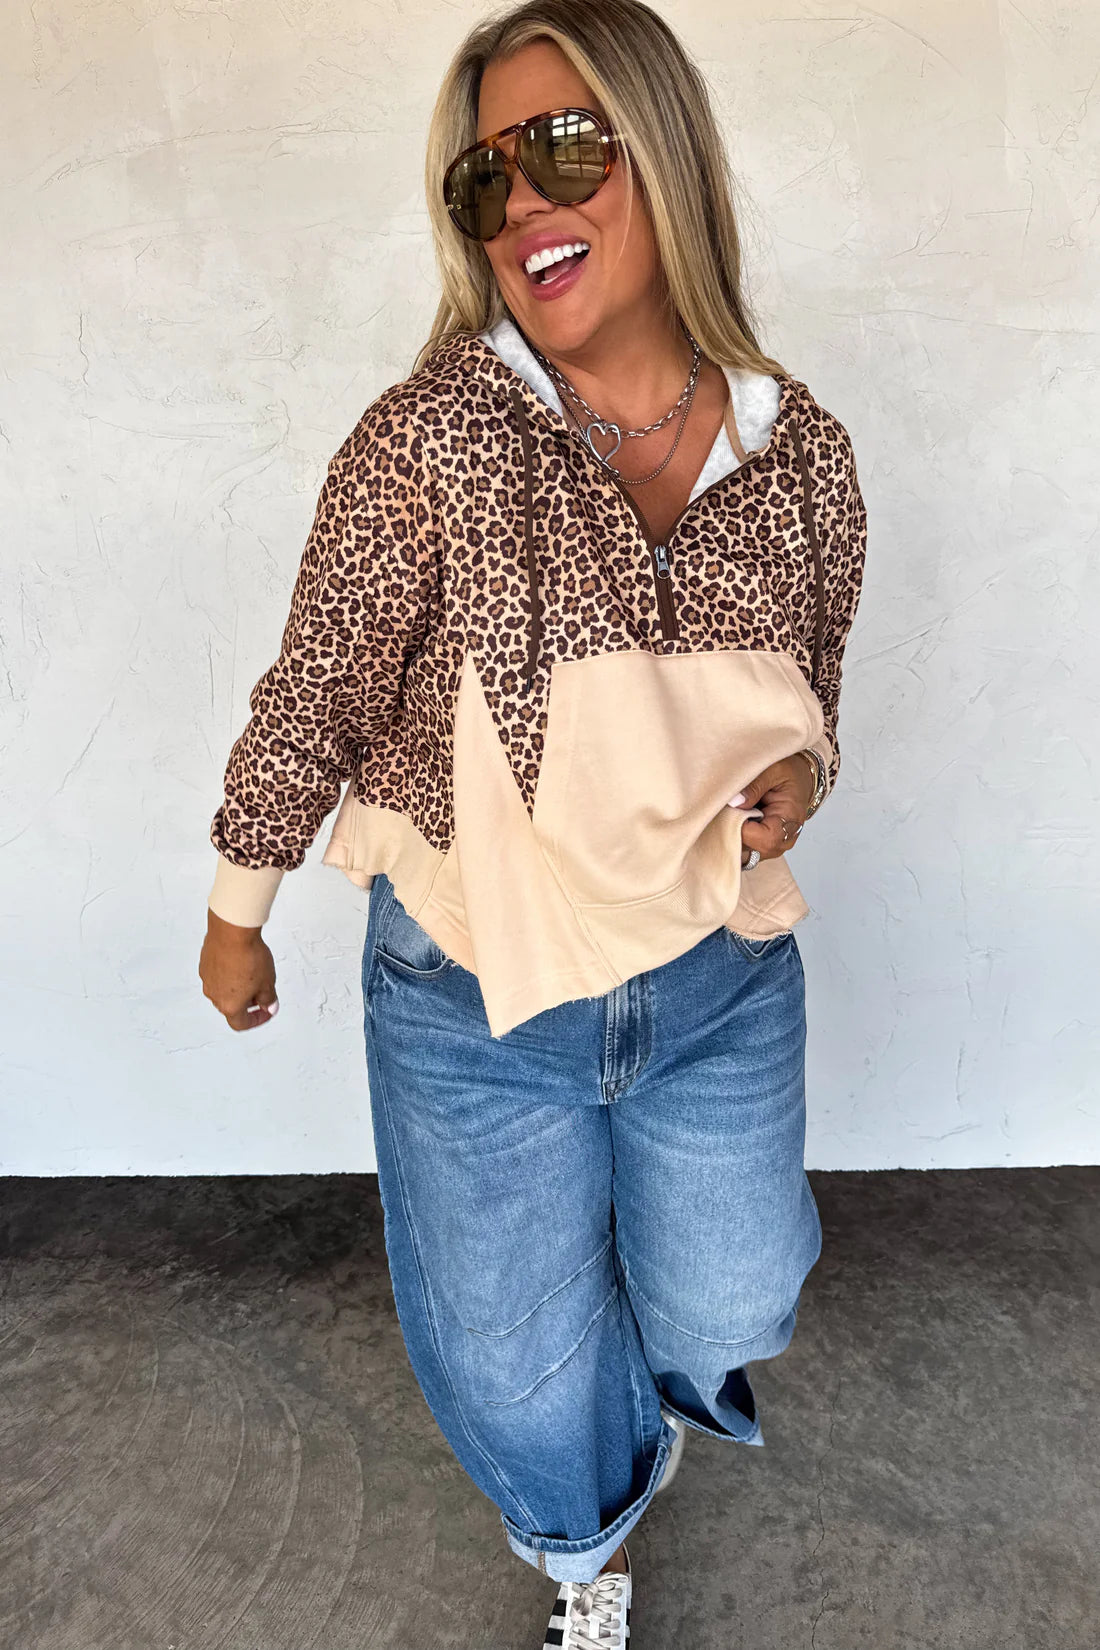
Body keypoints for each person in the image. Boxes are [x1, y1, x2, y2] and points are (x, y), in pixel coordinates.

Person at [199, 1, 868, 1643]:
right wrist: (237, 903)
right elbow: (318, 684)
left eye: (566, 148)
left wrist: (806, 778)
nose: (522, 206)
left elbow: (811, 693)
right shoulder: (431, 442)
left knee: (732, 1301)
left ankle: (623, 1410)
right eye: (484, 179)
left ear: (667, 155)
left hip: (716, 976)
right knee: (512, 1365)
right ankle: (588, 1546)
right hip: (474, 989)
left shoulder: (802, 455)